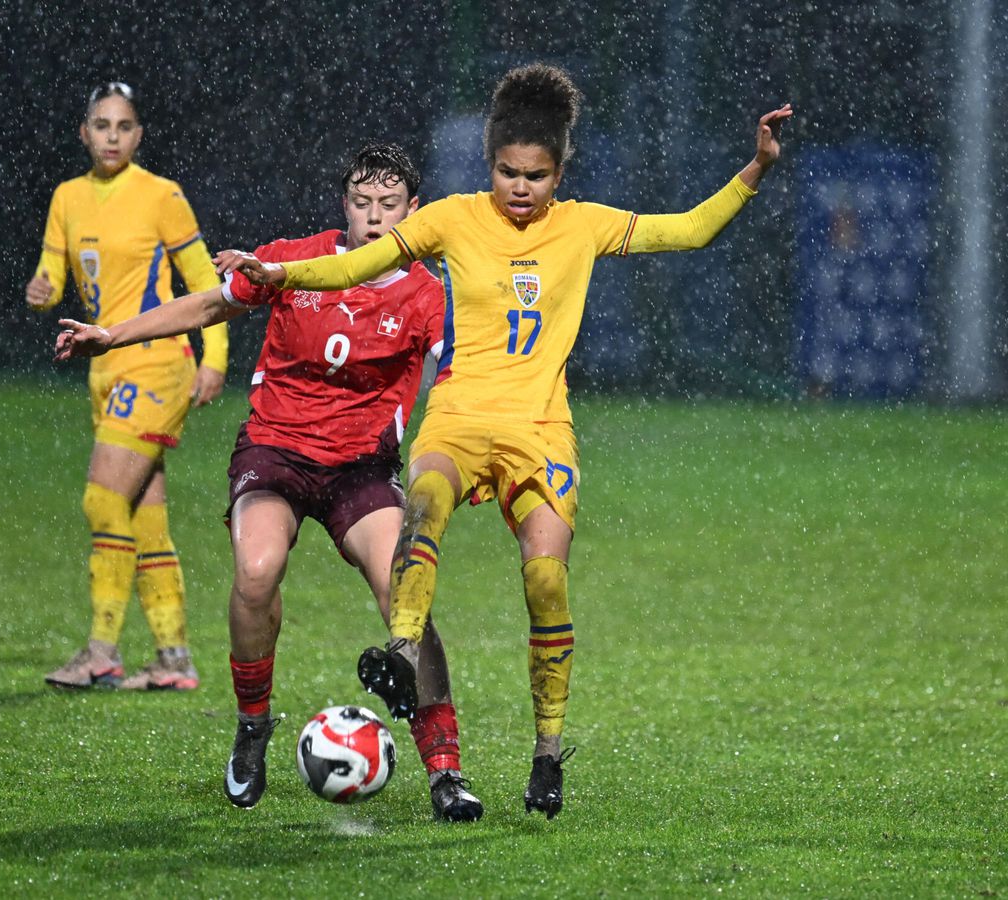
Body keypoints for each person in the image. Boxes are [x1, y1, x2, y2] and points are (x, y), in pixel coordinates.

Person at [231, 63, 793, 820]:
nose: (519, 188)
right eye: (506, 172)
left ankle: (547, 753)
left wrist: (757, 166)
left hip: (539, 430)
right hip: (459, 418)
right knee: (423, 506)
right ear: (488, 163)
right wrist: (280, 272)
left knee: (546, 582)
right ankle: (402, 653)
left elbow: (689, 229)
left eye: (536, 176)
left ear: (560, 172)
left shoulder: (586, 225)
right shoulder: (453, 218)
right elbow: (359, 263)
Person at [53, 143, 484, 822]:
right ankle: (253, 726)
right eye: (362, 203)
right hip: (275, 451)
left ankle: (447, 771)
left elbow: (464, 374)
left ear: (414, 210)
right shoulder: (292, 262)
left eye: (389, 205)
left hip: (361, 469)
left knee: (405, 598)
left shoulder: (427, 294)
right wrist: (112, 336)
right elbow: (207, 306)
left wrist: (474, 450)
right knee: (256, 572)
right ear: (344, 205)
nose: (374, 218)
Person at [26, 81, 229, 691]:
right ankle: (173, 659)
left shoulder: (162, 196)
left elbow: (205, 283)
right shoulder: (67, 197)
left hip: (157, 363)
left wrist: (215, 357)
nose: (112, 137)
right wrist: (41, 292)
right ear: (83, 133)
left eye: (123, 126)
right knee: (144, 518)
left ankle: (101, 651)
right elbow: (52, 274)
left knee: (102, 500)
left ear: (138, 135)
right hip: (106, 369)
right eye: (101, 125)